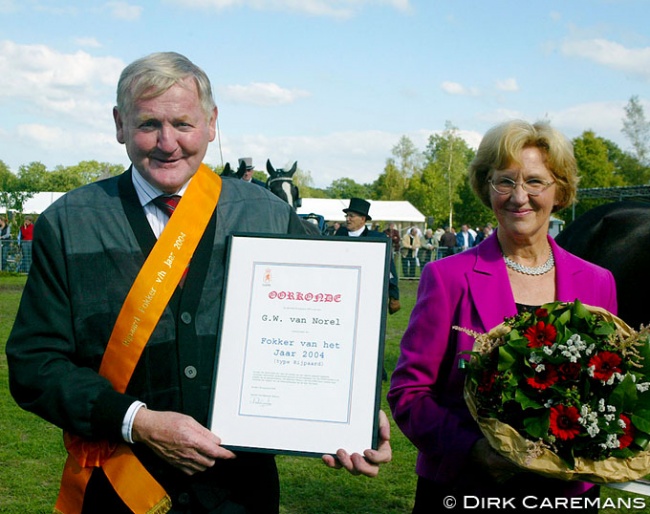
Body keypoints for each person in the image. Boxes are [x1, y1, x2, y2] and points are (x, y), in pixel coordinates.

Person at [6, 52, 391, 514]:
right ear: (119, 125)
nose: (167, 143)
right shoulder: (68, 223)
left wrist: (352, 412)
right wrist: (136, 422)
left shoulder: (267, 214)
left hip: (241, 494)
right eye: (148, 123)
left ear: (211, 123)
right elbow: (35, 365)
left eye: (183, 124)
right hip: (121, 487)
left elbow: (334, 323)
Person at [388, 119, 617, 514]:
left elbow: (608, 391)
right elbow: (409, 392)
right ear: (486, 187)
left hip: (567, 494)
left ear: (559, 190)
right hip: (466, 487)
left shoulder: (598, 281)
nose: (519, 197)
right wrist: (473, 450)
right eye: (505, 182)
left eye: (534, 181)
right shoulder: (447, 277)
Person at [335, 198, 400, 315]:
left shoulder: (377, 239)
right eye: (347, 216)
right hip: (342, 290)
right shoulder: (340, 234)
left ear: (363, 219)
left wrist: (394, 295)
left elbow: (389, 268)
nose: (348, 219)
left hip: (368, 291)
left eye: (351, 216)